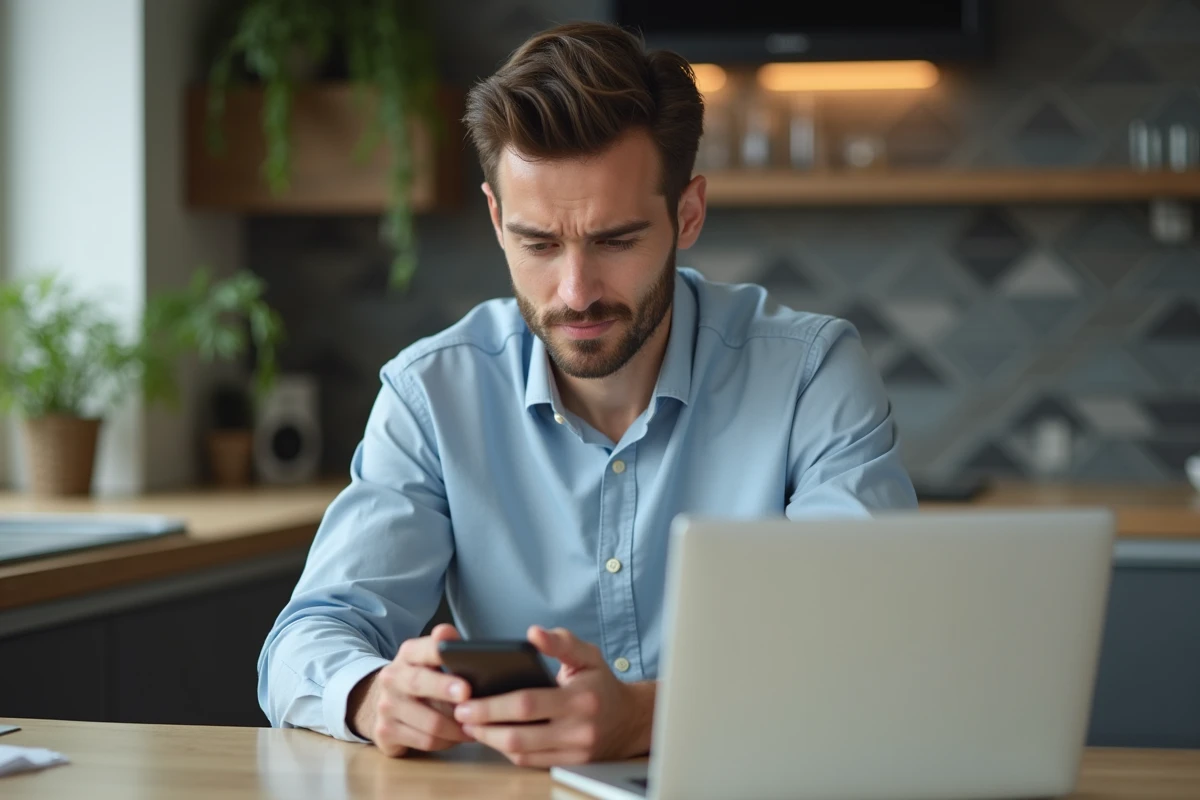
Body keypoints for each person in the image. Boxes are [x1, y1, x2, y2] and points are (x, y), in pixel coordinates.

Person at [258, 20, 917, 768]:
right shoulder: (431, 394)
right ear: (497, 221)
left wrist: (643, 718)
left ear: (688, 214)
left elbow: (873, 645)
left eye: (615, 240)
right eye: (539, 244)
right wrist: (374, 694)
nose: (575, 293)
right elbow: (307, 638)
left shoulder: (811, 374)